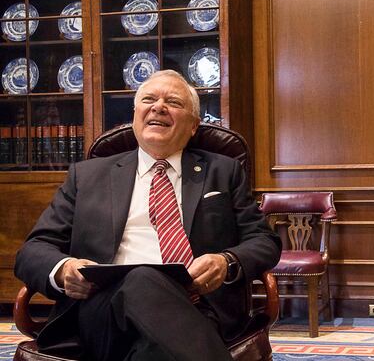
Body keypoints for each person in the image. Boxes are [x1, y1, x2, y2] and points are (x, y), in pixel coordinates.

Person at [15, 70, 282, 361]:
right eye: (148, 99)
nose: (158, 107)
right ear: (135, 115)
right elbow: (32, 251)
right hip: (100, 310)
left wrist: (226, 261)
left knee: (149, 351)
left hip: (197, 307)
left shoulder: (223, 171)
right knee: (141, 277)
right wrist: (64, 268)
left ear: (193, 125)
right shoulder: (87, 176)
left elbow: (263, 241)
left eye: (174, 102)